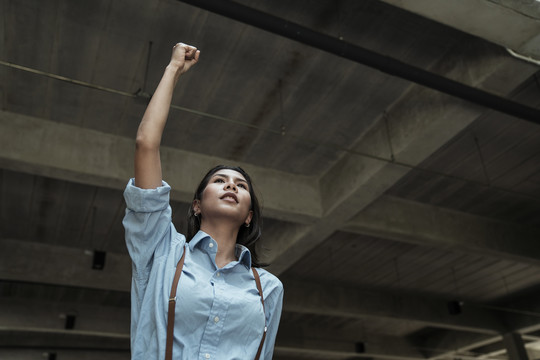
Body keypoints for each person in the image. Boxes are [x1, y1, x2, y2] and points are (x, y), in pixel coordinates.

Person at [122, 42, 284, 360]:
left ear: (249, 215)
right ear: (197, 204)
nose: (231, 186)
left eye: (240, 185)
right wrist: (173, 70)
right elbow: (145, 144)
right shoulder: (162, 252)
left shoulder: (268, 288)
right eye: (219, 181)